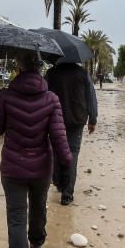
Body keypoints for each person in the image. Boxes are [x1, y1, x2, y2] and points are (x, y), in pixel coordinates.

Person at [0, 51, 73, 248]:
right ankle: (36, 241)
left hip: (13, 168)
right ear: (40, 68)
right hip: (41, 168)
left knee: (16, 218)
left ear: (18, 66)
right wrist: (67, 161)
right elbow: (58, 137)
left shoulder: (6, 96)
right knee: (38, 207)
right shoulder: (51, 99)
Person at [45, 61, 98, 205]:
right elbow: (91, 97)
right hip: (77, 119)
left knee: (56, 151)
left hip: (54, 119)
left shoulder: (51, 73)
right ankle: (67, 194)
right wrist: (93, 119)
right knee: (72, 153)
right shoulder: (82, 73)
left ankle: (58, 182)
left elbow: (43, 95)